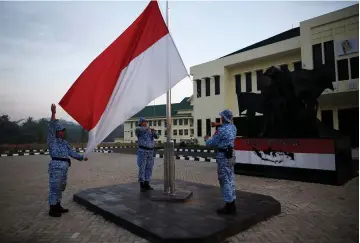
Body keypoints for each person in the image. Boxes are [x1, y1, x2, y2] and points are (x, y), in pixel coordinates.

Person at [47, 104, 88, 217]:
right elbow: (51, 126)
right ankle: (52, 208)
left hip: (64, 167)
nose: (62, 132)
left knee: (61, 186)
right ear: (56, 132)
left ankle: (58, 205)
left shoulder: (65, 143)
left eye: (63, 131)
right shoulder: (52, 141)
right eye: (60, 130)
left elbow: (71, 153)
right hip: (56, 167)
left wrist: (82, 157)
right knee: (54, 187)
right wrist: (53, 113)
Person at [204, 109, 237, 215]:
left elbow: (211, 143)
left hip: (223, 157)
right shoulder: (233, 128)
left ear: (224, 118)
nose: (220, 118)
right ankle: (232, 203)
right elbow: (228, 124)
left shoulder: (221, 131)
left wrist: (207, 139)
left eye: (221, 117)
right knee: (230, 178)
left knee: (224, 180)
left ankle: (228, 206)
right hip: (231, 156)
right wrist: (217, 124)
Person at [135, 117, 159, 192]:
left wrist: (154, 132)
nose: (145, 123)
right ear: (140, 123)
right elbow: (142, 129)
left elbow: (157, 136)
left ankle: (147, 183)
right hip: (143, 151)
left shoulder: (149, 130)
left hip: (150, 152)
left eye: (146, 122)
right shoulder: (138, 129)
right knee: (142, 167)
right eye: (144, 122)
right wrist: (148, 128)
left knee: (149, 168)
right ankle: (142, 184)